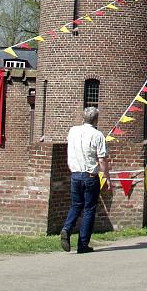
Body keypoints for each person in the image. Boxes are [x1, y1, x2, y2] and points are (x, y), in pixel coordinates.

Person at [60, 106, 112, 254]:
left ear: (83, 118)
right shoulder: (98, 135)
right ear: (96, 119)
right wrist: (107, 177)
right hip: (90, 176)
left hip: (75, 174)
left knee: (76, 205)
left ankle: (67, 228)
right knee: (89, 209)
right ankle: (83, 245)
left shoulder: (73, 131)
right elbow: (101, 159)